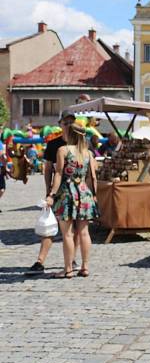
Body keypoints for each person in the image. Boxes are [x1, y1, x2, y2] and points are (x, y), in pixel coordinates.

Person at [45, 123, 98, 278]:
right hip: (84, 194)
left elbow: (59, 174)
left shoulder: (63, 150)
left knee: (67, 234)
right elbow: (92, 177)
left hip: (67, 194)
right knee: (84, 233)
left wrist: (51, 194)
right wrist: (94, 195)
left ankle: (68, 269)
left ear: (70, 134)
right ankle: (85, 267)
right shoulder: (88, 153)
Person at [28, 110, 76, 275]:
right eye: (66, 122)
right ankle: (40, 261)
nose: (69, 125)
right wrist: (48, 190)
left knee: (72, 228)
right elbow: (48, 169)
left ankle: (72, 259)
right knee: (49, 225)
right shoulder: (54, 144)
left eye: (72, 122)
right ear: (60, 124)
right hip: (57, 192)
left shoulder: (81, 144)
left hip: (75, 191)